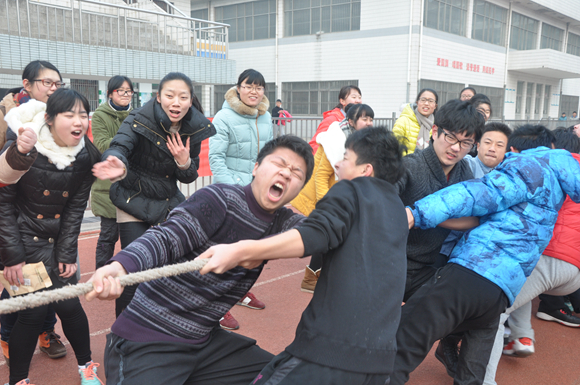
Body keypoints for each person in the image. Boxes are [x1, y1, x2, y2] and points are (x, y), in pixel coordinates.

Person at [85, 135, 315, 385]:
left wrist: (253, 250)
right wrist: (120, 265)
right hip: (149, 338)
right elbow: (167, 237)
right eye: (279, 164)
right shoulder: (221, 199)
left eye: (297, 173)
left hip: (204, 341)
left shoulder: (284, 223)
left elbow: (322, 233)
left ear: (299, 190)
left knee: (288, 376)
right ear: (256, 167)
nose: (286, 173)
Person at [198, 127, 408, 385]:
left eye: (345, 157)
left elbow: (315, 233)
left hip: (328, 356)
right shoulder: (397, 208)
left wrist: (243, 250)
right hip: (380, 364)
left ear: (365, 171)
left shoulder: (350, 190)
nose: (338, 164)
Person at [393, 124, 580, 385]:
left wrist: (417, 213)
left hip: (473, 271)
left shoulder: (526, 167)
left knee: (401, 342)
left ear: (513, 149)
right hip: (500, 295)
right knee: (472, 377)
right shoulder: (557, 185)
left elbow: (475, 194)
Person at [0, 88, 104, 385]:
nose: (78, 121)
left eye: (83, 114)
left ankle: (87, 368)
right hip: (20, 239)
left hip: (56, 241)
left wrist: (67, 253)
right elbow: (3, 203)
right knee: (32, 314)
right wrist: (12, 256)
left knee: (70, 305)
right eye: (69, 115)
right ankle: (18, 380)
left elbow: (74, 208)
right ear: (49, 118)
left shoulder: (85, 154)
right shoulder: (23, 146)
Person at [92, 72, 215, 318]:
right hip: (132, 199)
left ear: (191, 100)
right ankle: (123, 338)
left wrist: (183, 162)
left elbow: (188, 177)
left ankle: (163, 323)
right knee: (133, 269)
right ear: (159, 97)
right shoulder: (138, 118)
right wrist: (115, 160)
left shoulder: (194, 127)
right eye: (170, 95)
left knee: (174, 265)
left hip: (166, 201)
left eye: (183, 97)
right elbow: (120, 145)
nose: (176, 102)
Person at [480, 129, 580, 385]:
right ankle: (522, 336)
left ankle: (484, 380)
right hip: (573, 272)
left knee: (492, 311)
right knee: (515, 281)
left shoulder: (543, 167)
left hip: (549, 259)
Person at [0, 60, 67, 367]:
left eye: (58, 84)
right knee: (22, 280)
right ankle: (7, 332)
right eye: (46, 83)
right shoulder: (15, 123)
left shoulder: (59, 121)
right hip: (21, 219)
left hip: (53, 218)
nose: (53, 89)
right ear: (26, 85)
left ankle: (46, 332)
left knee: (50, 282)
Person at [435, 122, 512, 377]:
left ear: (507, 151)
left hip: (482, 256)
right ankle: (448, 343)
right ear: (477, 145)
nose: (492, 149)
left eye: (499, 145)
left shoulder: (509, 176)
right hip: (449, 247)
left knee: (485, 309)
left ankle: (454, 351)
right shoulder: (466, 166)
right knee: (442, 305)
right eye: (488, 142)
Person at [396, 99, 483, 303]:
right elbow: (382, 206)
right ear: (435, 131)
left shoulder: (464, 173)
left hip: (426, 268)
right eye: (451, 137)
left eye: (465, 143)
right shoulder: (409, 166)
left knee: (470, 308)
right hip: (390, 263)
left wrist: (434, 218)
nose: (455, 147)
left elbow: (476, 218)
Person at [208, 69, 271, 329]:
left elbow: (269, 154)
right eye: (248, 86)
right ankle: (216, 306)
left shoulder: (265, 117)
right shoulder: (223, 117)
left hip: (257, 193)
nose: (254, 91)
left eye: (259, 87)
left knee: (252, 252)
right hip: (231, 194)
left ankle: (239, 292)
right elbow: (216, 159)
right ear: (238, 89)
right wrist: (237, 189)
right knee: (224, 251)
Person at [292, 103, 374, 293]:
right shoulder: (334, 141)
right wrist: (326, 205)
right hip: (331, 197)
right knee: (328, 236)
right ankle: (312, 278)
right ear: (352, 121)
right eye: (365, 119)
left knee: (338, 238)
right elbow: (321, 176)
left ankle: (324, 277)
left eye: (371, 119)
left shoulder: (362, 142)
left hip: (347, 197)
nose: (369, 123)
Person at [90, 75, 134, 269]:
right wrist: (130, 142)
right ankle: (101, 272)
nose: (125, 95)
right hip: (108, 185)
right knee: (108, 236)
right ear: (110, 93)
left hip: (132, 185)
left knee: (132, 236)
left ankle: (130, 272)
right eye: (121, 91)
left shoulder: (137, 115)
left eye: (129, 91)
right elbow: (101, 145)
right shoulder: (100, 115)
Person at [308, 85, 362, 154]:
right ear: (342, 101)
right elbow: (315, 144)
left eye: (359, 97)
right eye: (354, 97)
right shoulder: (332, 120)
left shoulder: (358, 121)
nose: (358, 101)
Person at [393, 88, 438, 155]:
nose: (426, 103)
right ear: (417, 103)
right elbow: (393, 148)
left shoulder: (437, 125)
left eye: (431, 101)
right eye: (423, 100)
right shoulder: (403, 121)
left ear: (435, 106)